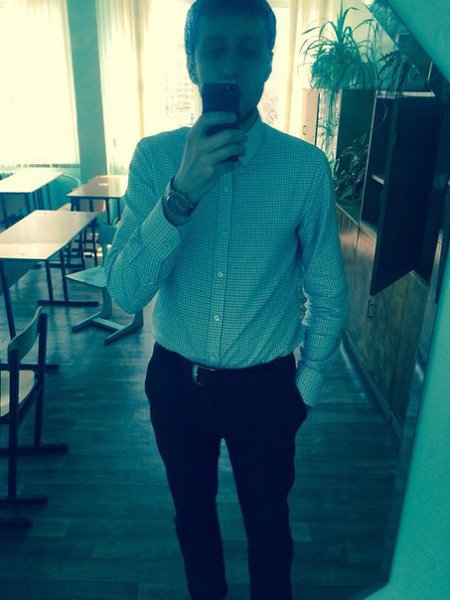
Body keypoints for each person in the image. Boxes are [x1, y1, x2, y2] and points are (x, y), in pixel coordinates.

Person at [105, 1, 350, 598]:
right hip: (175, 386)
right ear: (192, 63)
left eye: (248, 50)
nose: (231, 66)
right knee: (193, 525)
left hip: (266, 392)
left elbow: (329, 295)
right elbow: (125, 293)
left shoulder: (304, 169)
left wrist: (304, 390)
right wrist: (181, 195)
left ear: (269, 62)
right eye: (214, 49)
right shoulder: (155, 160)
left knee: (270, 532)